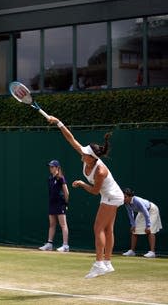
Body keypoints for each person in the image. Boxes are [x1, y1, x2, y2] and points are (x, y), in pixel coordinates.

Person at [47, 115, 124, 278]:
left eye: (86, 153)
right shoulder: (86, 158)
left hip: (112, 196)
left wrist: (82, 184)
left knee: (98, 228)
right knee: (108, 229)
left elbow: (95, 191)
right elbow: (71, 139)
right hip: (109, 195)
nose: (82, 153)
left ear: (92, 158)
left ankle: (99, 264)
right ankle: (108, 263)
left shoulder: (100, 171)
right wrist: (59, 123)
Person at [38, 160, 70, 253]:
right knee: (52, 224)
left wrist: (66, 203)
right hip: (52, 204)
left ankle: (65, 245)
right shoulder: (50, 178)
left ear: (57, 168)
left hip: (60, 203)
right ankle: (49, 244)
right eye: (50, 167)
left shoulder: (61, 178)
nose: (50, 168)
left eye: (52, 167)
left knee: (63, 224)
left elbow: (66, 192)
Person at [122, 188, 162, 258]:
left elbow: (146, 212)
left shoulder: (137, 200)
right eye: (123, 197)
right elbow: (130, 213)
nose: (124, 198)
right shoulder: (126, 203)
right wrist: (133, 224)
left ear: (130, 196)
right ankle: (132, 251)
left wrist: (148, 225)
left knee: (150, 231)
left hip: (152, 210)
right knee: (134, 230)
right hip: (142, 212)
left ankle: (152, 252)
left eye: (125, 197)